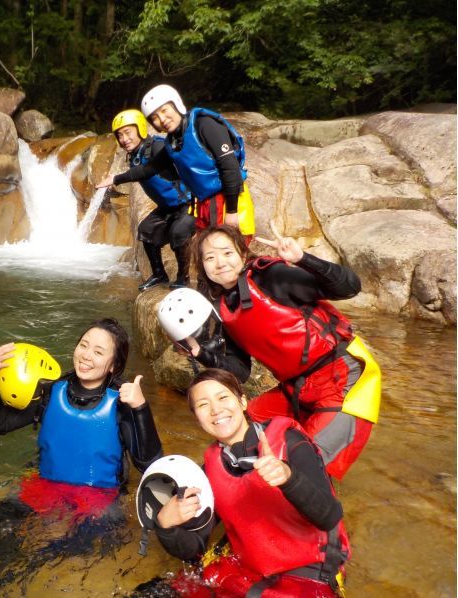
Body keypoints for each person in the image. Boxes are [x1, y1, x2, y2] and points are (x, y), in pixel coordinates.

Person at [0, 318, 163, 596]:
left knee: (55, 555)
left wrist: (140, 408)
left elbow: (150, 463)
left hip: (98, 499)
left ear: (113, 366)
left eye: (99, 352)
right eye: (83, 345)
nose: (86, 355)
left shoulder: (122, 404)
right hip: (45, 486)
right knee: (0, 525)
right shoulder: (50, 392)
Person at [188, 223, 381, 480]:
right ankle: (242, 484)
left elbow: (350, 286)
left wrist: (303, 259)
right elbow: (240, 372)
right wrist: (199, 351)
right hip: (296, 387)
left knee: (308, 466)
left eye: (227, 253)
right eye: (209, 258)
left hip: (342, 377)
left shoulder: (272, 277)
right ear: (203, 268)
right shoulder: (225, 308)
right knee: (243, 419)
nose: (220, 262)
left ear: (242, 254)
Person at [145, 368, 350, 597]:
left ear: (243, 401)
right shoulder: (210, 469)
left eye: (223, 397)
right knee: (154, 593)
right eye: (203, 405)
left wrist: (289, 478)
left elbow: (330, 516)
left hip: (308, 566)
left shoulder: (289, 441)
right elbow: (194, 548)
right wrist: (166, 527)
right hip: (248, 566)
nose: (215, 410)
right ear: (197, 419)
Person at [139, 84, 255, 244]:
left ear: (176, 104)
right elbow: (148, 169)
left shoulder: (204, 124)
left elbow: (230, 167)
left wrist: (232, 211)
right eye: (154, 118)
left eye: (164, 110)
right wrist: (116, 179)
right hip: (204, 203)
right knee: (206, 254)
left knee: (228, 253)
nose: (162, 119)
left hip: (227, 200)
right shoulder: (173, 142)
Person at [97, 109, 196, 290]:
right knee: (146, 231)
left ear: (141, 129)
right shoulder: (135, 154)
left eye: (128, 133)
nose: (124, 139)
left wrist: (117, 178)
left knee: (178, 232)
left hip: (189, 202)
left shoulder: (157, 147)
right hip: (168, 207)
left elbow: (146, 170)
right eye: (120, 135)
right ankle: (159, 274)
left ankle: (184, 277)